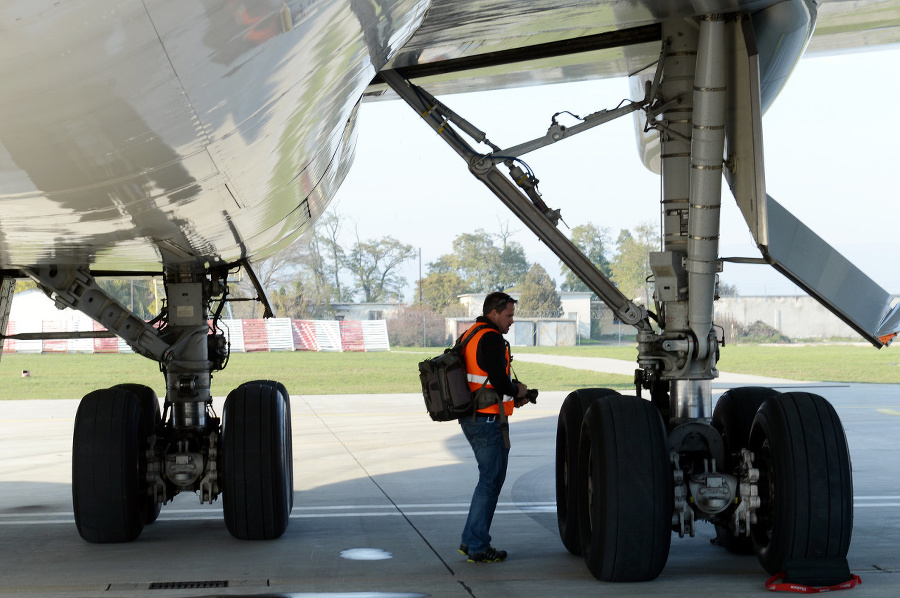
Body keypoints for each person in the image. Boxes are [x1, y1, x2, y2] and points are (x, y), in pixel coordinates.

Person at [458, 291, 530, 563]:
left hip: (472, 416)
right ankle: (477, 546)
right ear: (494, 313)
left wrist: (513, 396)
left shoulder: (471, 333)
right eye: (509, 315)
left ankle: (469, 540)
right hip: (487, 420)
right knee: (490, 482)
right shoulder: (491, 339)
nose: (511, 321)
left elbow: (484, 381)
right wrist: (517, 390)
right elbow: (500, 383)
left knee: (487, 481)